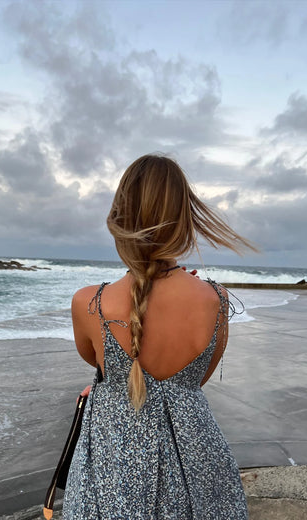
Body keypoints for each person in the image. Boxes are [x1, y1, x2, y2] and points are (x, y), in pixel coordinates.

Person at [63, 155, 254, 519]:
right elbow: (192, 382)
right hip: (196, 465)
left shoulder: (89, 302)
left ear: (118, 218)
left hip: (112, 466)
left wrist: (114, 386)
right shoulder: (216, 299)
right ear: (186, 219)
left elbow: (98, 360)